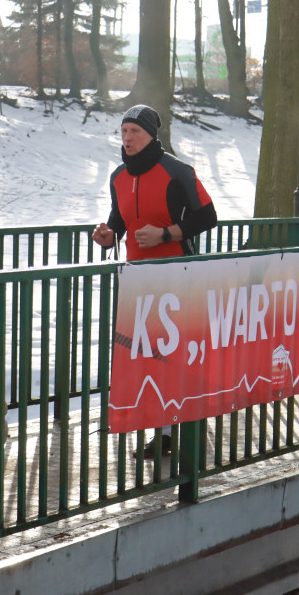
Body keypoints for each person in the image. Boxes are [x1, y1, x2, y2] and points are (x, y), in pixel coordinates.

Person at [91, 104, 218, 458]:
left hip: (178, 275)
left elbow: (208, 216)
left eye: (135, 132)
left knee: (172, 355)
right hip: (138, 279)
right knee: (145, 355)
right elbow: (120, 219)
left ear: (151, 137)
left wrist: (166, 234)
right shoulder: (118, 176)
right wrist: (107, 234)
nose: (128, 138)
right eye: (124, 131)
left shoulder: (177, 171)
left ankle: (176, 426)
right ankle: (161, 424)